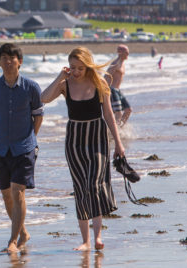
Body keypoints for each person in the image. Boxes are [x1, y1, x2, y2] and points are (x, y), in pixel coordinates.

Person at [41, 47, 125, 251]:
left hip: (97, 138)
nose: (76, 71)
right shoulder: (65, 85)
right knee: (80, 188)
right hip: (74, 141)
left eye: (80, 67)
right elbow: (44, 98)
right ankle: (86, 241)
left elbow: (109, 115)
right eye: (72, 67)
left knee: (93, 184)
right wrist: (60, 75)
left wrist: (119, 144)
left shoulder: (100, 82)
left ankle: (98, 237)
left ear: (88, 66)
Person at [0, 43, 43, 253]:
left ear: (20, 61)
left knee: (18, 192)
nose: (8, 61)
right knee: (7, 194)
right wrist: (1, 134)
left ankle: (12, 241)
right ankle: (23, 232)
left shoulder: (32, 87)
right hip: (0, 148)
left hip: (24, 148)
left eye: (12, 57)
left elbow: (38, 116)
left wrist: (29, 139)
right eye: (4, 58)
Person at [105, 45, 132, 126]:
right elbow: (106, 76)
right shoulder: (115, 63)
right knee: (118, 112)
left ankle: (120, 128)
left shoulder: (122, 63)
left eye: (128, 52)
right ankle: (115, 131)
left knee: (128, 110)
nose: (128, 54)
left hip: (118, 90)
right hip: (112, 90)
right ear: (120, 53)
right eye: (126, 52)